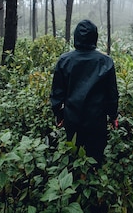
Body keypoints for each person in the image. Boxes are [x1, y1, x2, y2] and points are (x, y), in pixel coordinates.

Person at [50, 19, 119, 166]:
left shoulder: (64, 61)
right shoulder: (106, 62)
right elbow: (111, 94)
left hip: (72, 119)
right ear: (95, 37)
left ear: (76, 37)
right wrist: (113, 116)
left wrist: (59, 114)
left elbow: (57, 93)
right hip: (97, 121)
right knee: (95, 160)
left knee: (74, 159)